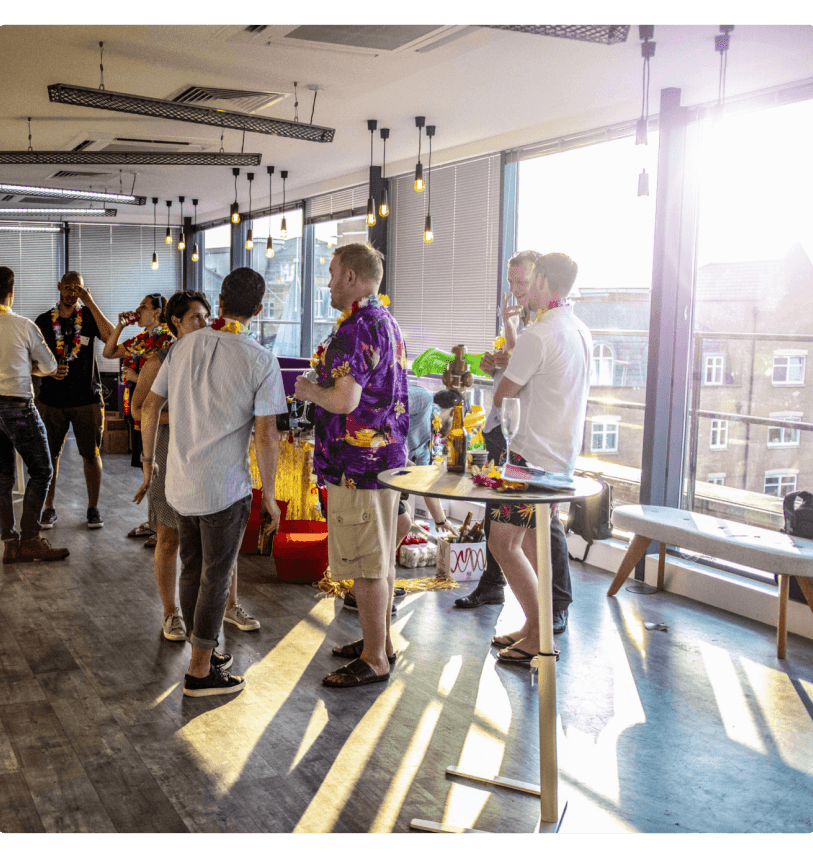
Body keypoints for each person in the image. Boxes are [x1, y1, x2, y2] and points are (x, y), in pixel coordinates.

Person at [139, 268, 286, 698]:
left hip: (181, 482)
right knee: (216, 578)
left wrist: (148, 464)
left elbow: (149, 405)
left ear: (219, 302)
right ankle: (200, 672)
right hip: (224, 487)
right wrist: (271, 497)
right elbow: (267, 436)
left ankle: (201, 653)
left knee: (192, 569)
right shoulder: (261, 358)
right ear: (258, 309)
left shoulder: (181, 347)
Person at [294, 242, 408, 689]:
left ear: (351, 277)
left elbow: (344, 401)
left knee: (366, 565)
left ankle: (374, 658)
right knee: (378, 558)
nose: (327, 283)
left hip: (358, 466)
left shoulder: (356, 328)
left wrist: (309, 391)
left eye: (331, 273)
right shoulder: (385, 321)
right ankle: (380, 643)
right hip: (383, 460)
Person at [132, 290, 260, 641]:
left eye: (206, 315)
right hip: (169, 452)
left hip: (212, 457)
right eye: (195, 317)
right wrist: (183, 416)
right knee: (169, 536)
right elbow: (139, 409)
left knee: (223, 541)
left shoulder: (219, 353)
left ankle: (229, 605)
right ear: (175, 321)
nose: (204, 323)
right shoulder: (161, 359)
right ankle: (170, 613)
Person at [488, 251, 591, 662]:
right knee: (532, 545)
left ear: (544, 279)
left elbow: (503, 394)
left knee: (502, 543)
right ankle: (534, 629)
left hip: (529, 460)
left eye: (530, 279)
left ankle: (540, 633)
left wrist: (509, 362)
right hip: (560, 456)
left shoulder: (540, 333)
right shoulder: (579, 328)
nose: (524, 288)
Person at [339, 383, 456, 616]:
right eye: (458, 422)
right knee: (400, 523)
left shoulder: (427, 443)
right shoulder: (423, 398)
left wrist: (441, 521)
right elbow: (386, 405)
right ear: (453, 412)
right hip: (366, 459)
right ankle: (363, 590)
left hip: (384, 475)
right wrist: (400, 454)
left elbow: (424, 482)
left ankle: (374, 584)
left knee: (402, 522)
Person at [454, 270, 531, 609]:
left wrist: (510, 347)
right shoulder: (515, 325)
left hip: (518, 433)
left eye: (522, 282)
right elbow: (508, 375)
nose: (514, 289)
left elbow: (524, 378)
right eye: (511, 282)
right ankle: (492, 582)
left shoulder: (537, 329)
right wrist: (492, 365)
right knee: (493, 511)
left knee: (520, 525)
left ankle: (548, 606)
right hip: (498, 428)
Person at [34, 271, 115, 530]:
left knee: (91, 454)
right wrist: (49, 371)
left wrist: (90, 302)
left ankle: (93, 508)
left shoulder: (89, 316)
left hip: (87, 399)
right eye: (67, 287)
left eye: (77, 289)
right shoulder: (43, 321)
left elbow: (111, 337)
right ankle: (48, 508)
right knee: (50, 456)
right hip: (51, 400)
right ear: (59, 286)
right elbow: (31, 360)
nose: (71, 293)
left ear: (83, 290)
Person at [0, 267, 70, 564]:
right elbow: (51, 366)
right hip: (17, 405)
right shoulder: (23, 325)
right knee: (42, 471)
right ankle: (29, 540)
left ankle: (9, 544)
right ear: (11, 292)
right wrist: (29, 367)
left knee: (2, 478)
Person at [104, 292, 172, 541]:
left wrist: (136, 377)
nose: (138, 310)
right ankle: (153, 522)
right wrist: (120, 326)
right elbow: (109, 352)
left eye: (143, 306)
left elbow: (166, 379)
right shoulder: (142, 339)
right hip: (138, 410)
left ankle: (162, 528)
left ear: (157, 312)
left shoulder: (168, 340)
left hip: (158, 410)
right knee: (148, 468)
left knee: (160, 468)